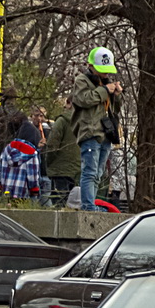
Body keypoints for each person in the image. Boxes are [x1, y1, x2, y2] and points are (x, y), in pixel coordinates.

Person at [68, 47, 123, 212]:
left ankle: (90, 203)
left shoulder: (105, 84)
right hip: (90, 133)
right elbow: (84, 100)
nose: (105, 74)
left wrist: (117, 95)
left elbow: (115, 109)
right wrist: (105, 90)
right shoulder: (82, 81)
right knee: (90, 172)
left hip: (106, 134)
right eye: (102, 70)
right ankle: (88, 206)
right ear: (91, 66)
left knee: (98, 174)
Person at [40, 99, 81, 208]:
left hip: (60, 169)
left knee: (58, 203)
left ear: (69, 103)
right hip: (77, 168)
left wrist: (48, 162)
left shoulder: (62, 121)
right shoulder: (85, 121)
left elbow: (52, 145)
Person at [0, 118, 41, 202]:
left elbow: (0, 170)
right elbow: (33, 177)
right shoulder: (32, 153)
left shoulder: (7, 149)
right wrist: (34, 191)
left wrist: (1, 185)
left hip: (6, 192)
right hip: (23, 194)